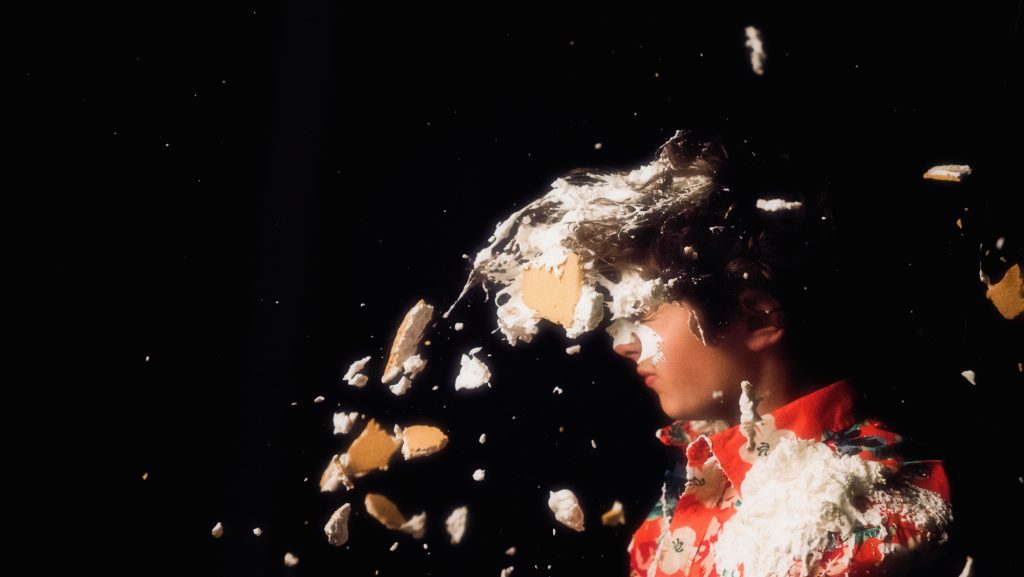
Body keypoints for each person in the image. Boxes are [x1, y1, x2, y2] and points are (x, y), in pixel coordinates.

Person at [586, 130, 966, 576]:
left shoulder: (860, 508)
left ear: (757, 320)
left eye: (644, 313)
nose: (623, 344)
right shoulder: (698, 472)